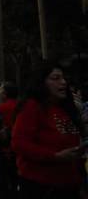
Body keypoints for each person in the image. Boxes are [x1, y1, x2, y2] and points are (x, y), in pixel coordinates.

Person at [12, 63, 87, 199]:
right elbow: (19, 143)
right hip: (41, 188)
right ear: (42, 83)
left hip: (70, 186)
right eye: (56, 78)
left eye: (64, 78)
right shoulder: (32, 106)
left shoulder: (67, 109)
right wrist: (55, 156)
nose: (63, 82)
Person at [0, 82, 19, 197]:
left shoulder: (2, 108)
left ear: (5, 94)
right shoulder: (21, 106)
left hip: (6, 152)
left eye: (1, 90)